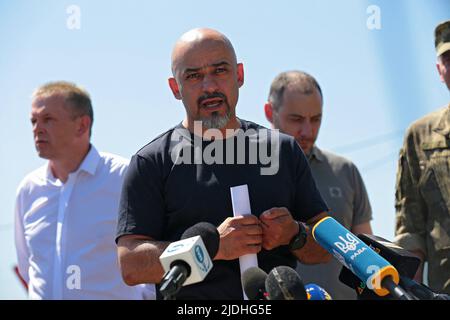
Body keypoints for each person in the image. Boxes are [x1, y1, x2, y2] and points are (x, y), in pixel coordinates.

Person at [116, 28, 332, 300]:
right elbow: (131, 265)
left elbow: (328, 248)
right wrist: (212, 248)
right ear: (175, 88)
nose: (209, 87)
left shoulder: (284, 151)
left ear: (239, 75)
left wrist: (295, 234)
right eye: (193, 76)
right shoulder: (151, 162)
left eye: (220, 71)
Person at [15, 81, 154, 299]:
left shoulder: (123, 177)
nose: (36, 128)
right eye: (33, 120)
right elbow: (27, 267)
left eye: (48, 119)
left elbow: (149, 262)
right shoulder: (28, 190)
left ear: (82, 125)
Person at [264, 70, 373, 300]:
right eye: (296, 119)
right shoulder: (251, 172)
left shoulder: (345, 171)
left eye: (316, 119)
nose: (308, 131)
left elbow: (367, 249)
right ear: (269, 112)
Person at [395, 20, 450, 295]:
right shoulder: (420, 136)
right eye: (449, 59)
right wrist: (411, 290)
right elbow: (411, 227)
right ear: (440, 70)